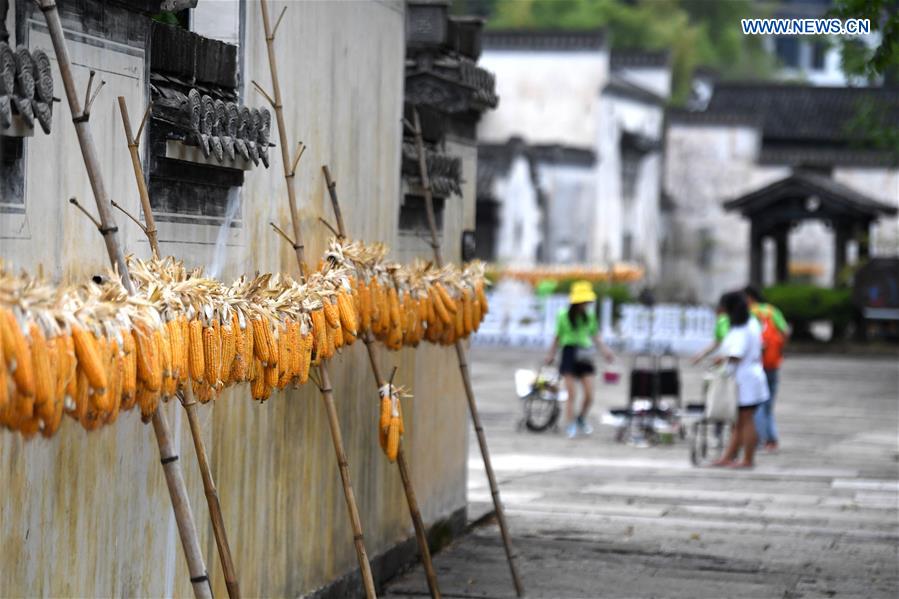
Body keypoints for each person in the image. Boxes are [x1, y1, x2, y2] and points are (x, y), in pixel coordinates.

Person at [544, 281, 614, 439]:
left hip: (585, 354)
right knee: (571, 394)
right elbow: (557, 336)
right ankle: (570, 424)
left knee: (590, 395)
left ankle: (581, 418)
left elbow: (596, 335)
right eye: (583, 302)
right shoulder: (562, 315)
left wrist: (606, 351)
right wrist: (551, 354)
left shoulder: (589, 316)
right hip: (569, 353)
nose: (586, 305)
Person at [712, 291, 769, 468]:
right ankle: (728, 457)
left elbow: (736, 354)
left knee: (745, 420)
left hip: (745, 380)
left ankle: (747, 459)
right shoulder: (751, 323)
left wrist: (721, 358)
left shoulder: (741, 329)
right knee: (740, 421)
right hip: (752, 375)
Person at [744, 286, 789, 452]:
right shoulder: (771, 311)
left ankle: (760, 439)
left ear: (749, 297)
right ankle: (772, 439)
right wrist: (779, 351)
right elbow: (785, 331)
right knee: (768, 404)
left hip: (755, 364)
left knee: (756, 405)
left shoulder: (749, 313)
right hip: (772, 363)